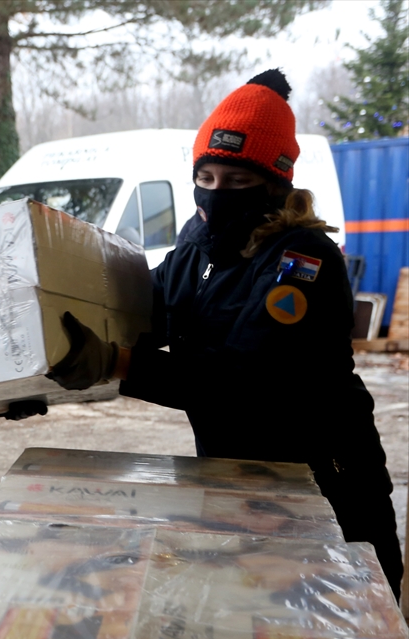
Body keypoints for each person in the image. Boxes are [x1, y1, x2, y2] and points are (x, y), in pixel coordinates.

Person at [47, 69, 403, 598]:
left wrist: (115, 365)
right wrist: (41, 373)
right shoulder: (199, 247)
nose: (217, 194)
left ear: (276, 184)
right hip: (237, 472)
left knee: (338, 633)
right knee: (252, 619)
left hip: (323, 479)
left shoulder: (302, 260)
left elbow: (243, 382)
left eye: (238, 181)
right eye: (207, 178)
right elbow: (139, 315)